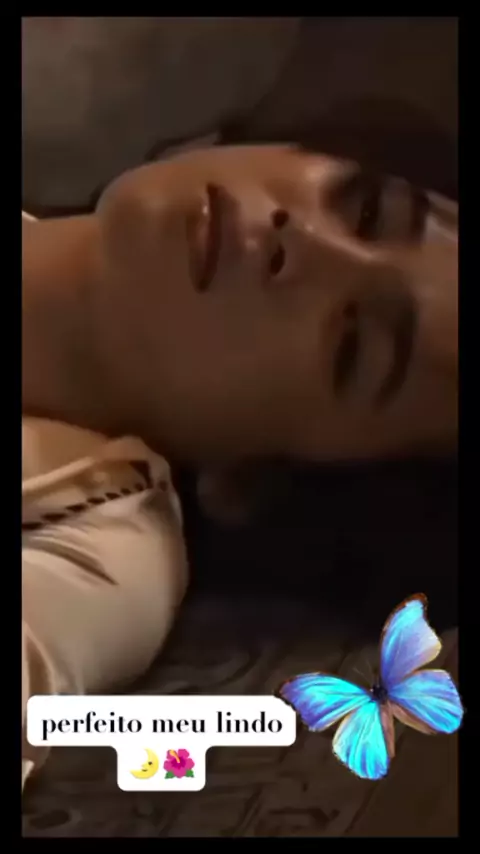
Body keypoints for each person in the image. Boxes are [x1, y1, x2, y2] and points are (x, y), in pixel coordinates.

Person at [22, 143, 458, 788]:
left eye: (353, 347)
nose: (304, 241)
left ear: (256, 478)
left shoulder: (98, 554)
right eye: (369, 210)